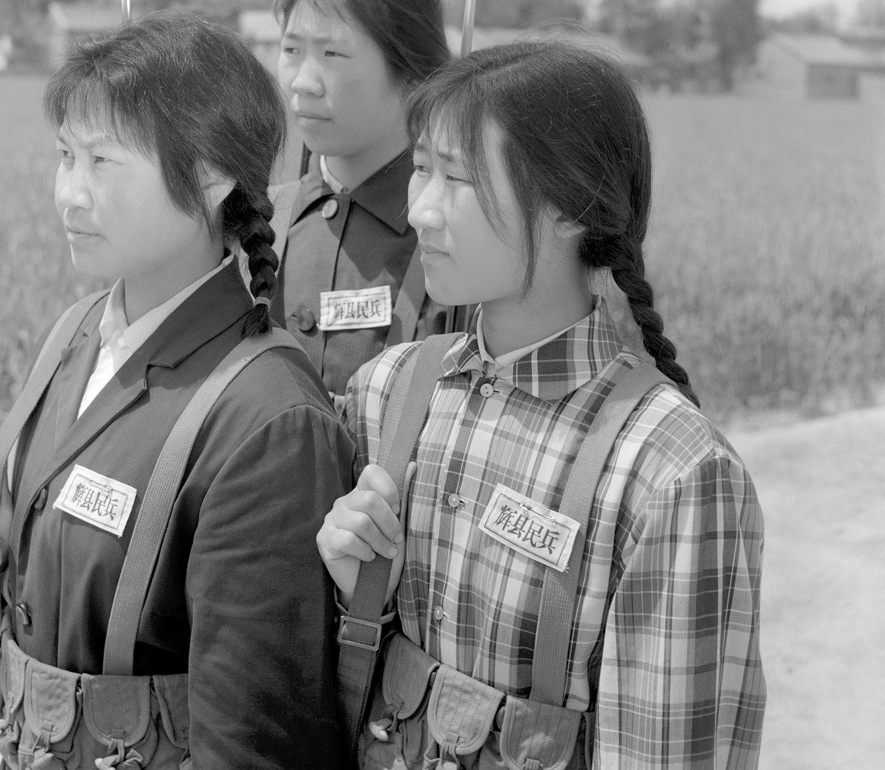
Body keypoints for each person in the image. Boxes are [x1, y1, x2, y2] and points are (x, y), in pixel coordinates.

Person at [317, 39, 766, 769]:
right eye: (421, 168)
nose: (421, 211)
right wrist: (359, 588)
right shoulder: (386, 393)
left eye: (456, 177)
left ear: (568, 207)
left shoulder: (670, 473)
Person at [0, 15, 355, 770]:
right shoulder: (77, 332)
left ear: (214, 177)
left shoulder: (267, 422)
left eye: (103, 162)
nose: (71, 195)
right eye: (65, 156)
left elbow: (252, 740)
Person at [271, 0, 453, 401]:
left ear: (413, 72)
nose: (302, 81)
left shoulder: (455, 238)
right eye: (292, 49)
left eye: (332, 54)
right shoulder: (254, 223)